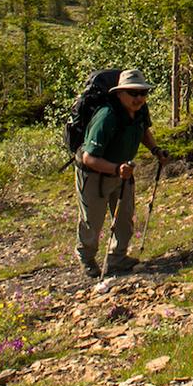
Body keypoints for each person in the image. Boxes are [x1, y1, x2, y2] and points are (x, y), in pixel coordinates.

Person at [74, 69, 167, 279]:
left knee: (125, 218)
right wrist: (116, 169)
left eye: (143, 93)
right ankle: (87, 260)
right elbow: (89, 157)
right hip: (94, 175)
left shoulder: (141, 110)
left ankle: (117, 258)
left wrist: (155, 150)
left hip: (123, 172)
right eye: (133, 93)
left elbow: (143, 130)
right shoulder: (106, 117)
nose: (139, 98)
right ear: (119, 93)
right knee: (92, 221)